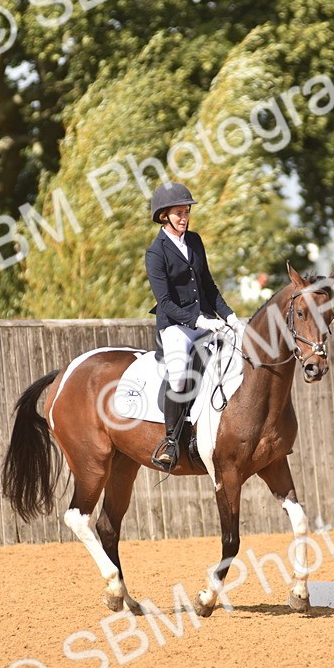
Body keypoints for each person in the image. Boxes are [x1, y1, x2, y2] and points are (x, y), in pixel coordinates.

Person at [145, 182, 243, 471]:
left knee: (233, 356)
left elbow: (209, 287)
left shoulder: (195, 241)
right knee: (178, 376)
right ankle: (172, 442)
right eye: (178, 213)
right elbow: (164, 301)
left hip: (206, 319)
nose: (184, 217)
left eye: (186, 212)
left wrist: (231, 317)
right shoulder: (156, 253)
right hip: (175, 325)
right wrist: (199, 320)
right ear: (164, 216)